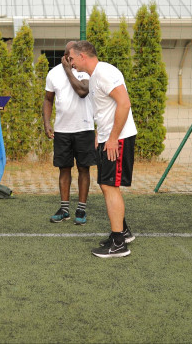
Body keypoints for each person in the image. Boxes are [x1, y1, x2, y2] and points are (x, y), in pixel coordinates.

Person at [68, 41, 137, 258]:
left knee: (109, 185)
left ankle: (118, 243)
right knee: (107, 185)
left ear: (82, 56)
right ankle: (122, 232)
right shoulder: (96, 75)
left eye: (71, 58)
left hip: (118, 138)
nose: (70, 63)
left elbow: (124, 103)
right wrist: (101, 133)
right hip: (109, 138)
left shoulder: (105, 72)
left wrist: (113, 137)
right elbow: (106, 108)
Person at [42, 41, 96, 225]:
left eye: (74, 57)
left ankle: (81, 209)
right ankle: (64, 209)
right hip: (62, 130)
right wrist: (47, 123)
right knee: (64, 168)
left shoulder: (84, 70)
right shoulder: (53, 73)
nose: (72, 60)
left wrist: (68, 70)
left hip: (84, 128)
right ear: (64, 56)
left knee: (83, 168)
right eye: (69, 57)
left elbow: (82, 91)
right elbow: (48, 99)